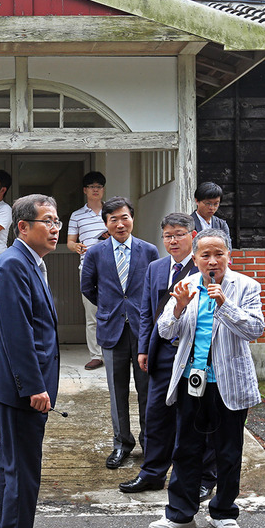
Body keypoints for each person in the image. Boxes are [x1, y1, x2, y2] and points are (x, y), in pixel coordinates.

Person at [148, 228, 264, 528]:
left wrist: (225, 304)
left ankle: (223, 512)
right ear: (196, 258)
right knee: (186, 449)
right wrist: (179, 307)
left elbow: (254, 329)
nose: (212, 261)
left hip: (228, 383)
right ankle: (180, 514)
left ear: (229, 256)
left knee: (228, 451)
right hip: (191, 382)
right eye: (205, 255)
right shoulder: (184, 286)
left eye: (219, 254)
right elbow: (165, 332)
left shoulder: (246, 286)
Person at [0, 194, 62, 528]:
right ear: (23, 227)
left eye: (58, 219)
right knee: (21, 474)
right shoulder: (13, 264)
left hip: (18, 385)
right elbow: (17, 334)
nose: (56, 225)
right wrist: (34, 386)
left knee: (16, 470)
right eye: (47, 219)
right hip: (17, 388)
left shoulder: (31, 262)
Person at [123, 213, 215, 498]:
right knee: (156, 415)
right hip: (161, 352)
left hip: (194, 356)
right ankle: (152, 473)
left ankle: (203, 477)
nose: (172, 240)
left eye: (179, 234)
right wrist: (142, 348)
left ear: (193, 236)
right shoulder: (156, 268)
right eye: (167, 236)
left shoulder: (206, 269)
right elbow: (145, 310)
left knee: (196, 416)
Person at [81, 196, 159, 469]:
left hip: (142, 330)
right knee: (117, 392)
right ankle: (122, 444)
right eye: (113, 219)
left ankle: (150, 443)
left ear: (132, 219)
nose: (120, 223)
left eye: (124, 217)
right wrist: (108, 308)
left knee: (146, 390)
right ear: (106, 223)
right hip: (111, 328)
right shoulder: (95, 252)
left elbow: (155, 288)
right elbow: (87, 287)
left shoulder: (148, 251)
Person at [67, 171, 108, 371]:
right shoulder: (77, 215)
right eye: (92, 186)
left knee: (115, 310)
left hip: (112, 266)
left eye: (99, 186)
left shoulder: (112, 211)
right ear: (85, 190)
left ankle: (115, 351)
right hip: (88, 267)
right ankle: (96, 355)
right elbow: (70, 242)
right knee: (92, 314)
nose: (95, 190)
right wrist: (76, 247)